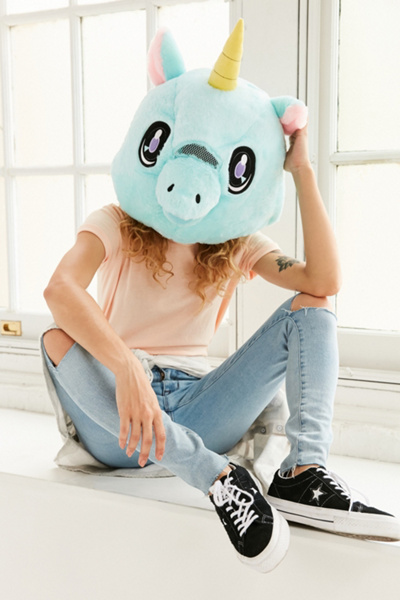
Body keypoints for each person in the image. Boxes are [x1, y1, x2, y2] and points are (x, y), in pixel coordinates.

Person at [42, 124, 400, 574]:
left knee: (313, 306)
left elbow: (323, 281)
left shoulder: (237, 239)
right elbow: (60, 288)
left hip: (201, 408)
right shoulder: (115, 220)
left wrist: (303, 170)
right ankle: (215, 476)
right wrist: (127, 368)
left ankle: (304, 473)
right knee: (54, 337)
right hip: (121, 418)